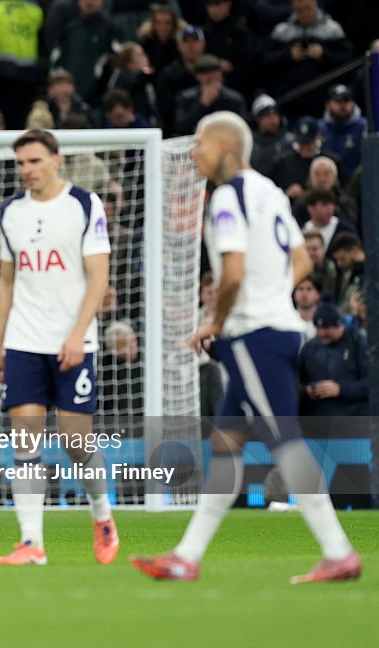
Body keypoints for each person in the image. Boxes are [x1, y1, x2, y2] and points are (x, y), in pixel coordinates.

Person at [131, 111, 360, 583]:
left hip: (254, 334)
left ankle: (338, 551)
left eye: (198, 144)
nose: (193, 153)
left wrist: (217, 320)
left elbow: (232, 273)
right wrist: (273, 296)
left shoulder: (228, 196)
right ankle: (187, 556)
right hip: (271, 326)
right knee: (227, 443)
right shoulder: (271, 191)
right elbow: (300, 258)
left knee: (283, 437)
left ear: (222, 147)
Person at [0, 129, 118, 566]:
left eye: (35, 161)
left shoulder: (84, 204)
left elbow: (99, 277)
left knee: (75, 440)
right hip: (24, 339)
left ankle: (102, 515)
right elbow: (7, 281)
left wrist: (78, 333)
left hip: (72, 338)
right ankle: (32, 544)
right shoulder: (10, 211)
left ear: (56, 160)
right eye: (22, 163)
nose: (27, 170)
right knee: (24, 438)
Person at [298, 301, 368, 418]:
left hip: (353, 422)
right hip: (317, 422)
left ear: (339, 325)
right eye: (318, 328)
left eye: (326, 328)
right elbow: (300, 381)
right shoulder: (309, 348)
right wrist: (307, 389)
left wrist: (340, 389)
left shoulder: (359, 343)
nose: (321, 333)